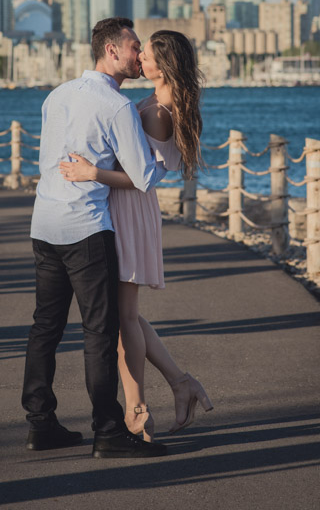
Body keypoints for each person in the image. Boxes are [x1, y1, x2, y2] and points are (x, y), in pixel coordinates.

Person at [22, 17, 169, 458]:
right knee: (99, 333)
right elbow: (144, 177)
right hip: (86, 228)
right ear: (111, 50)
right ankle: (108, 432)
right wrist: (169, 159)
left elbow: (47, 159)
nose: (139, 54)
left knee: (45, 327)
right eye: (134, 46)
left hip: (44, 223)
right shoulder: (117, 106)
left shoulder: (57, 94)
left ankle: (40, 425)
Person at [59, 30, 213, 441]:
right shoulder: (156, 101)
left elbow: (141, 178)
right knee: (124, 313)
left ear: (163, 65)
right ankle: (180, 384)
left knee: (123, 317)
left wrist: (91, 173)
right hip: (130, 209)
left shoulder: (157, 111)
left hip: (130, 209)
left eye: (145, 54)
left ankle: (137, 413)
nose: (139, 57)